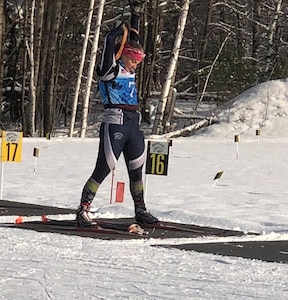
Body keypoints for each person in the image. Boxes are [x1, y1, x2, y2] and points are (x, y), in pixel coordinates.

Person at [76, 1, 158, 227]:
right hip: (115, 123)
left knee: (137, 169)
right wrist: (119, 29)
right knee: (104, 167)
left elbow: (134, 37)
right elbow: (109, 41)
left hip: (133, 124)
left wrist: (135, 16)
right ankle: (83, 210)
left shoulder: (128, 65)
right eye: (134, 60)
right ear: (125, 56)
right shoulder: (109, 70)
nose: (135, 66)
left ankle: (140, 209)